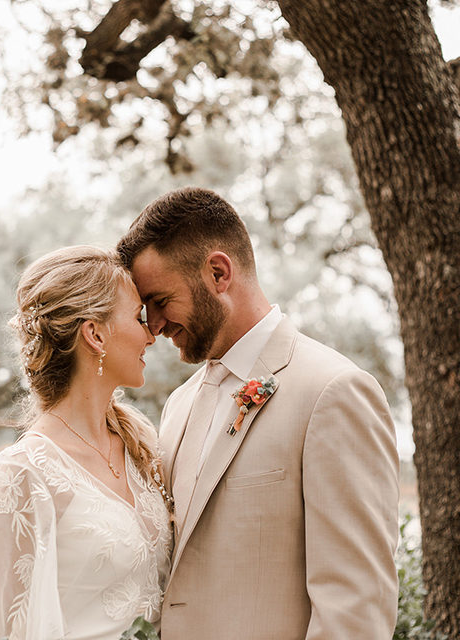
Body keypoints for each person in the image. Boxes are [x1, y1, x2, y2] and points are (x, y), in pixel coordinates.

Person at [116, 187, 400, 639]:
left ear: (218, 272)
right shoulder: (178, 405)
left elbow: (356, 607)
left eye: (161, 301)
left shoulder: (333, 392)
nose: (153, 326)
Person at [0, 246, 173, 640]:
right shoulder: (20, 476)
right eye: (138, 317)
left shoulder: (143, 448)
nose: (151, 334)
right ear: (95, 334)